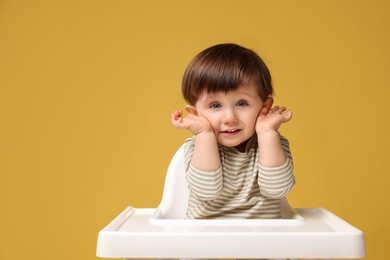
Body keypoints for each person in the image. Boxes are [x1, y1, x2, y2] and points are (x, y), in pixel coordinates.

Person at [171, 43, 295, 220]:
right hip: (204, 238)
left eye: (242, 103)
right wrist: (205, 134)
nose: (230, 117)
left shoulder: (272, 142)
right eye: (215, 105)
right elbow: (206, 192)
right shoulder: (196, 146)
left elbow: (277, 190)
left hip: (263, 239)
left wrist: (267, 132)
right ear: (195, 113)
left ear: (264, 107)